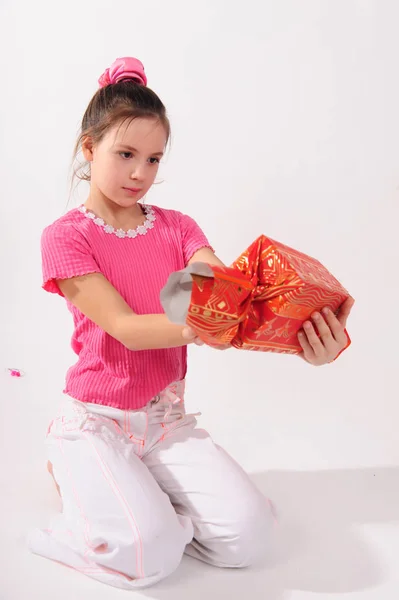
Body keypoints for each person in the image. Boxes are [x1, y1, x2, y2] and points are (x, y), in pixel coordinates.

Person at [28, 57, 354, 590]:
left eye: (154, 159)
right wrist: (199, 327)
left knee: (252, 540)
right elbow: (127, 327)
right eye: (126, 154)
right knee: (147, 559)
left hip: (163, 420)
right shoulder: (65, 237)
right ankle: (81, 478)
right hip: (97, 416)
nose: (140, 173)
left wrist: (299, 334)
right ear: (89, 149)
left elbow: (223, 292)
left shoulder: (178, 227)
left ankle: (134, 502)